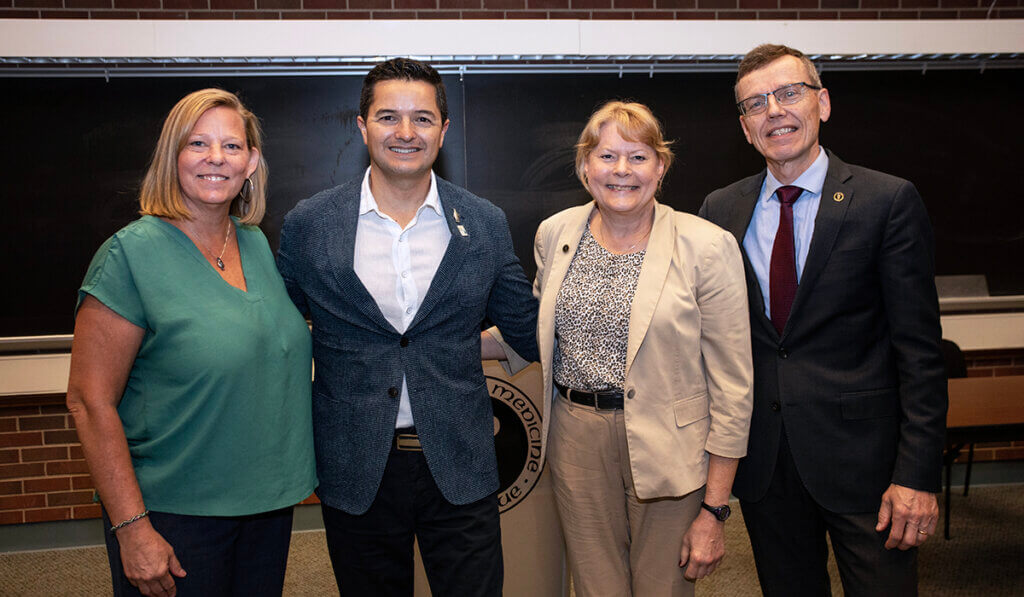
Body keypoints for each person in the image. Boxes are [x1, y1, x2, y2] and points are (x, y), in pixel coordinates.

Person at [276, 58, 539, 597]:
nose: (404, 133)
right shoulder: (311, 224)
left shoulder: (483, 222)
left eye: (422, 118)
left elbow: (529, 327)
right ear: (361, 126)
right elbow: (277, 327)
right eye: (388, 117)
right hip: (356, 468)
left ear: (444, 130)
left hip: (460, 463)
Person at [698, 44, 948, 596]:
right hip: (767, 464)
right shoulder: (720, 211)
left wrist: (916, 475)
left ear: (823, 103)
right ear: (744, 128)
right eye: (756, 103)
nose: (775, 111)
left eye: (789, 93)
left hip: (870, 470)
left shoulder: (886, 201)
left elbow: (920, 353)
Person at [66, 88, 316, 597]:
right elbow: (90, 403)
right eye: (198, 144)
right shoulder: (129, 257)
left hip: (266, 509)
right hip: (174, 516)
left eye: (232, 146)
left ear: (251, 162)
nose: (216, 159)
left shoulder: (255, 245)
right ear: (172, 157)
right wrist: (133, 529)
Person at [527, 101, 753, 596]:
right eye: (607, 156)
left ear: (661, 166)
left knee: (662, 588)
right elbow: (540, 326)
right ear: (585, 166)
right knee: (595, 587)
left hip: (672, 446)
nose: (622, 171)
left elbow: (733, 388)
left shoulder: (708, 246)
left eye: (639, 156)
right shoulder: (555, 233)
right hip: (575, 439)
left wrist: (715, 508)